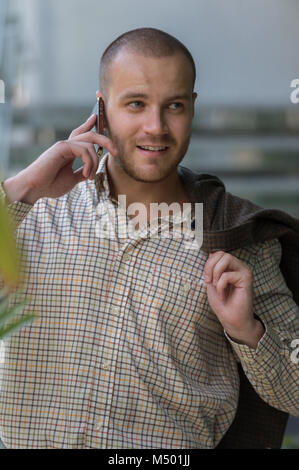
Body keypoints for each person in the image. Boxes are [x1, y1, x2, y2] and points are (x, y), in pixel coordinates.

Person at [0, 27, 298, 449]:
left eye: (173, 105)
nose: (155, 127)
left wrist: (247, 331)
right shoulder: (33, 212)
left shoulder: (237, 238)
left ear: (192, 107)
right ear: (102, 110)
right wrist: (22, 189)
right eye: (136, 104)